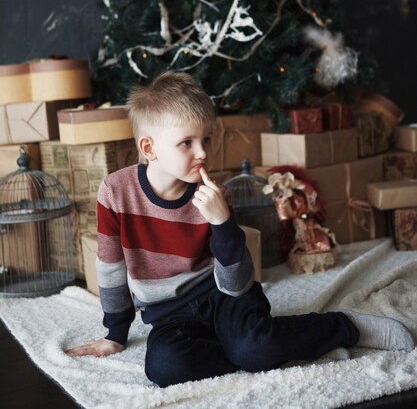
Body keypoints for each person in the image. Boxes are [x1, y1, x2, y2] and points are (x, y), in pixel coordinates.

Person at [66, 72, 415, 387]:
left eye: (207, 139)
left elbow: (236, 283)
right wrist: (116, 333)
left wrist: (221, 221)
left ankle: (345, 327)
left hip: (225, 297)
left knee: (255, 346)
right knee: (164, 368)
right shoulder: (115, 192)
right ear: (149, 148)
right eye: (187, 142)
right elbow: (111, 267)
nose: (203, 152)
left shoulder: (216, 196)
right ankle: (248, 349)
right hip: (170, 314)